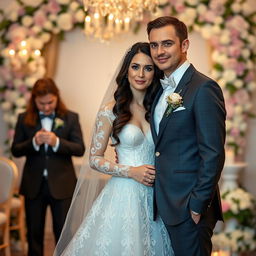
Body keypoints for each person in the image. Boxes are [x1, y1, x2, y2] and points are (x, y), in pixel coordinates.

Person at [53, 42, 174, 256]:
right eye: (135, 66)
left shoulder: (158, 108)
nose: (141, 74)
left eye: (148, 68)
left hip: (156, 196)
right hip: (124, 194)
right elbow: (94, 158)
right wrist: (131, 171)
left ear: (155, 72)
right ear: (126, 69)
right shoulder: (111, 110)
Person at [146, 16, 226, 256]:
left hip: (189, 207)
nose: (159, 51)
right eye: (154, 45)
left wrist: (197, 205)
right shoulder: (159, 89)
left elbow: (213, 153)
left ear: (184, 45)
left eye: (167, 43)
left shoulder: (203, 88)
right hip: (164, 204)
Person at [11, 78, 85, 256]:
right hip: (33, 185)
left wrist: (57, 142)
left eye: (50, 102)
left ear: (57, 97)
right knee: (34, 233)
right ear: (34, 100)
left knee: (63, 234)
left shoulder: (71, 117)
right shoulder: (24, 118)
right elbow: (16, 149)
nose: (46, 108)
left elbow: (79, 149)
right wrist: (34, 143)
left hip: (62, 185)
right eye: (41, 103)